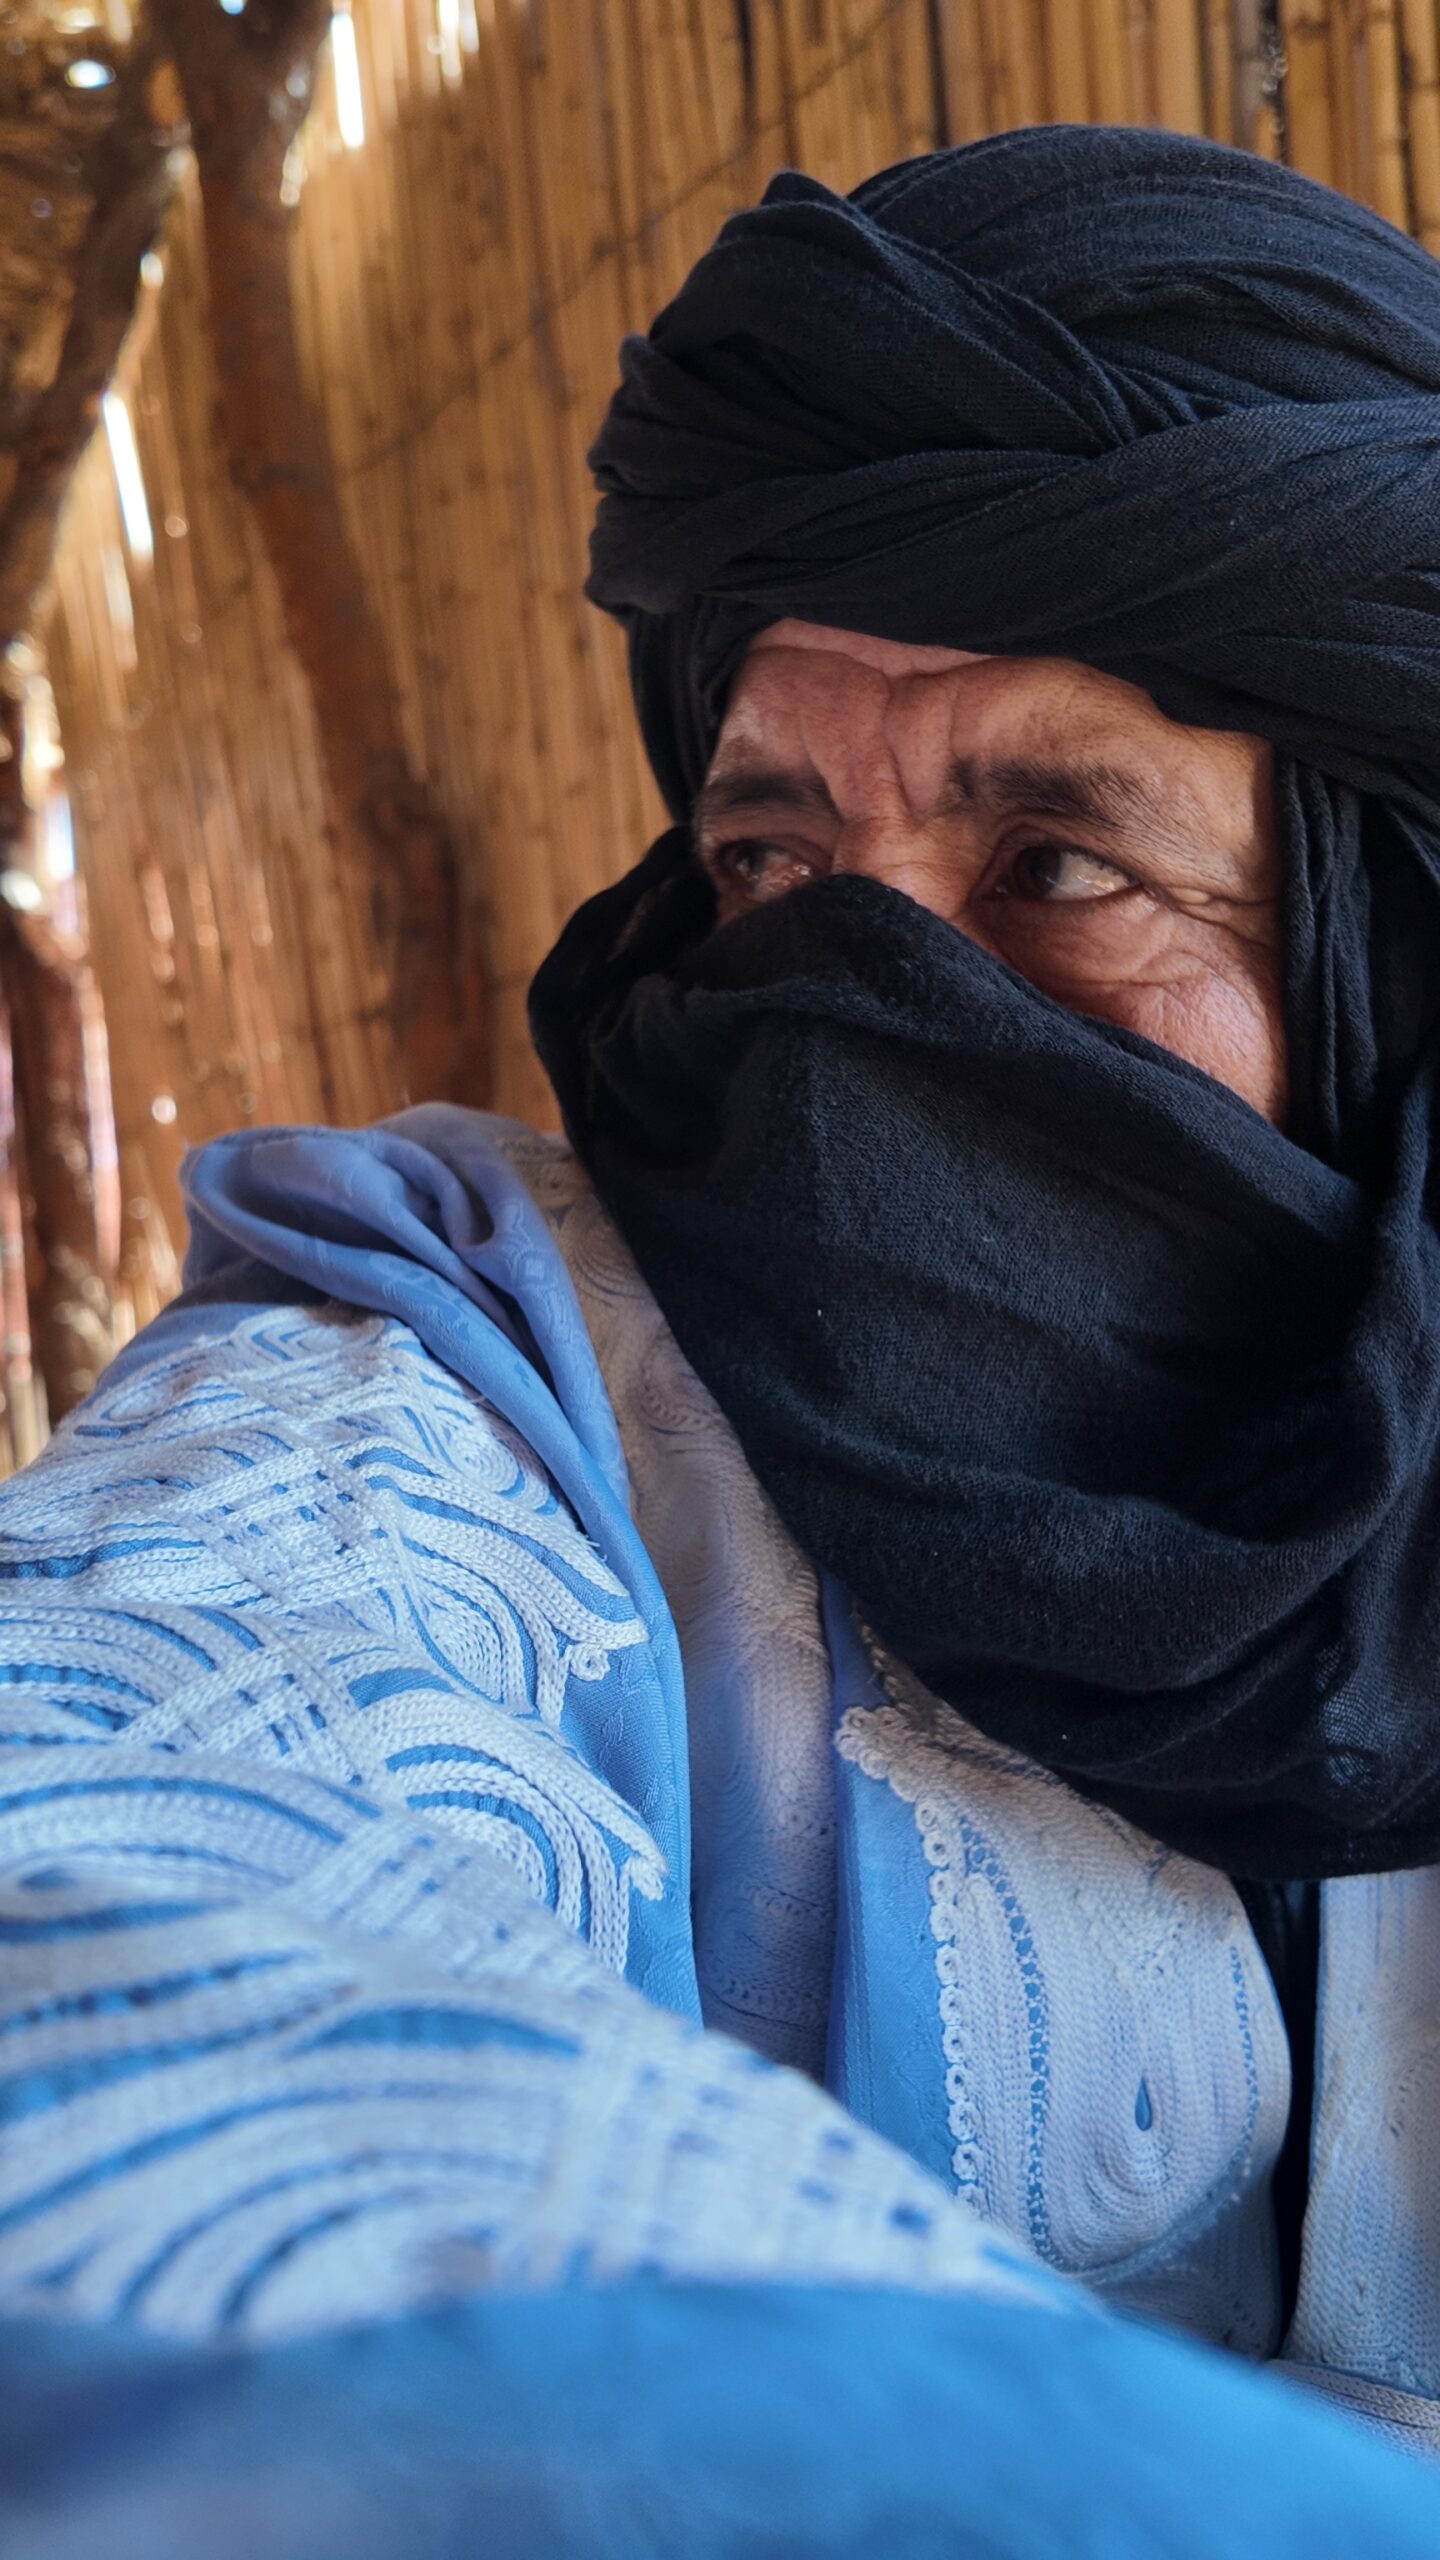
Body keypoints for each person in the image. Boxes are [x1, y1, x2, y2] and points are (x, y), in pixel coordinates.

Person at [4, 123, 1440, 2555]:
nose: (848, 1012)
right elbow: (111, 1868)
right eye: (769, 862)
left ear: (1374, 948)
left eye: (1060, 868)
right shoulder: (472, 1364)